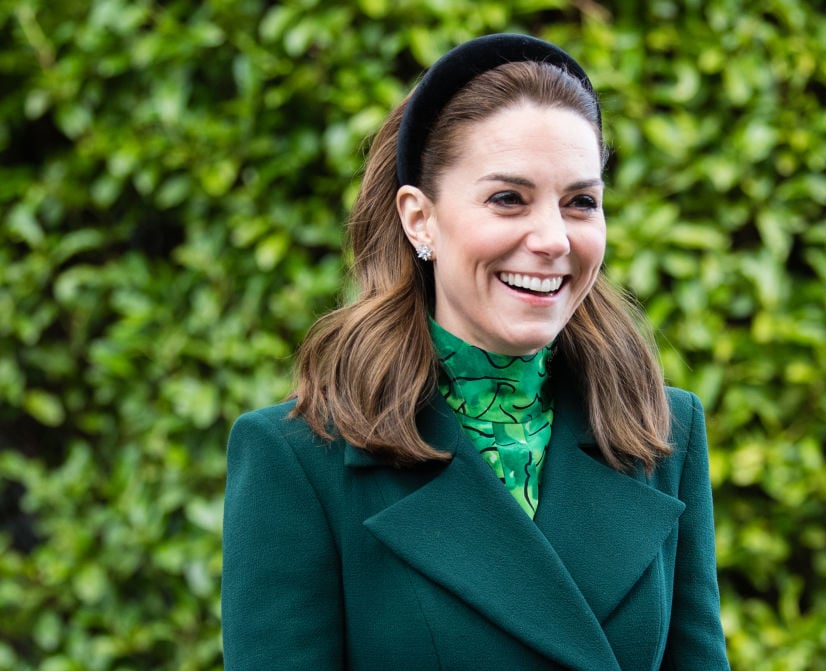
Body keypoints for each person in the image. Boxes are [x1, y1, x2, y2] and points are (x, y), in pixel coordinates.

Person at [221, 33, 730, 670]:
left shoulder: (661, 433)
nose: (552, 239)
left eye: (581, 202)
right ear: (419, 219)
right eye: (507, 199)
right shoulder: (301, 460)